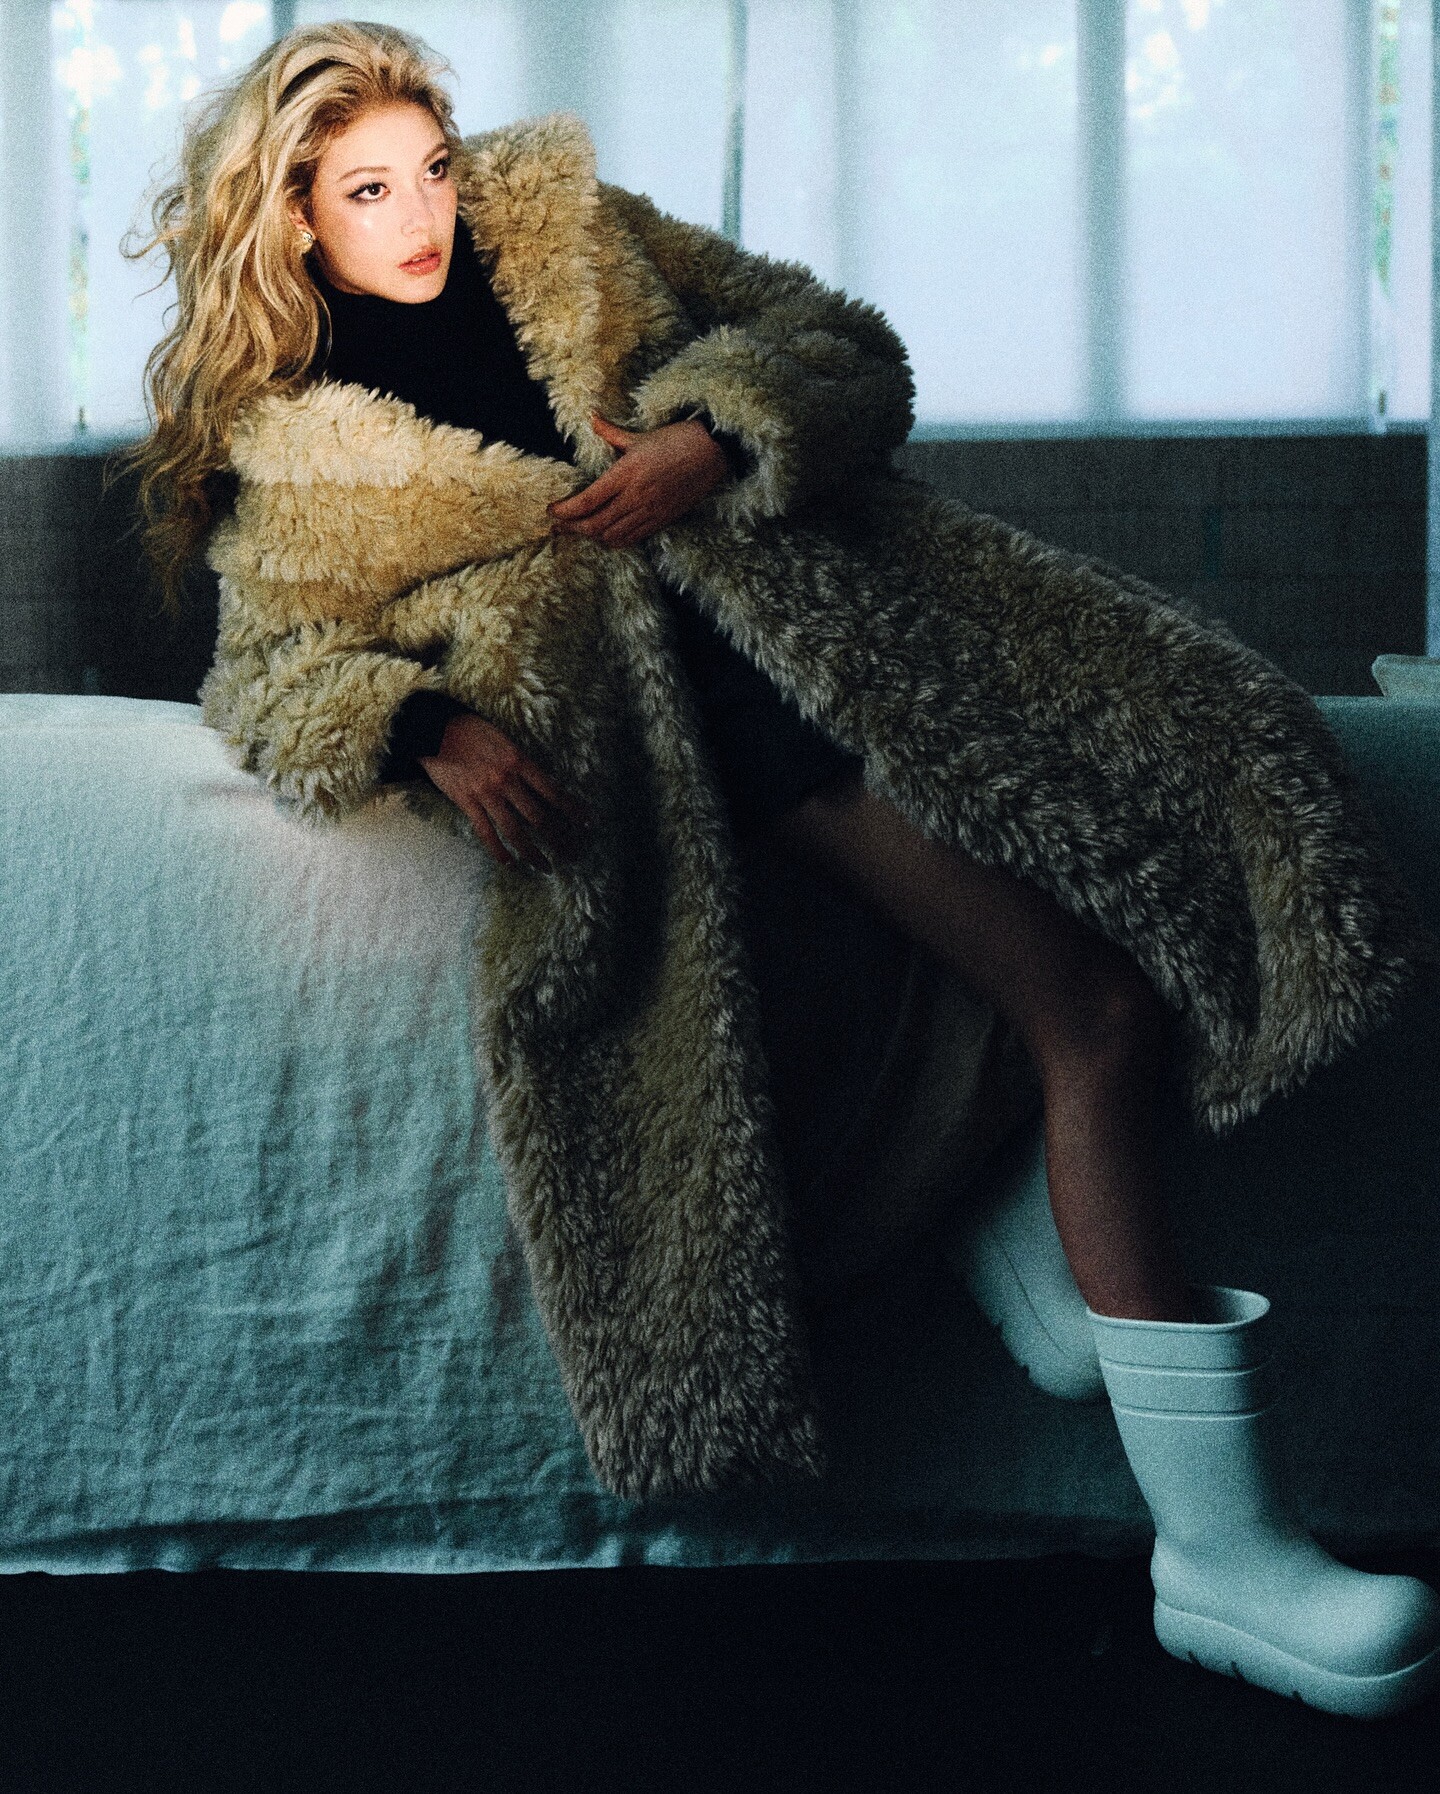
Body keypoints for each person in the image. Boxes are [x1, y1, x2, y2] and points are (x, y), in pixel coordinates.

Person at [118, 20, 1440, 1717]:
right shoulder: (300, 450)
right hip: (730, 763)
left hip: (868, 643)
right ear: (295, 216)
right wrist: (426, 723)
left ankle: (1030, 1239)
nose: (423, 212)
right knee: (1098, 1011)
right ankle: (1223, 1553)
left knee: (1167, 804)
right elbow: (265, 674)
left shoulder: (569, 227)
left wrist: (713, 435)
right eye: (367, 191)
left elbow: (836, 344)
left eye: (431, 168)